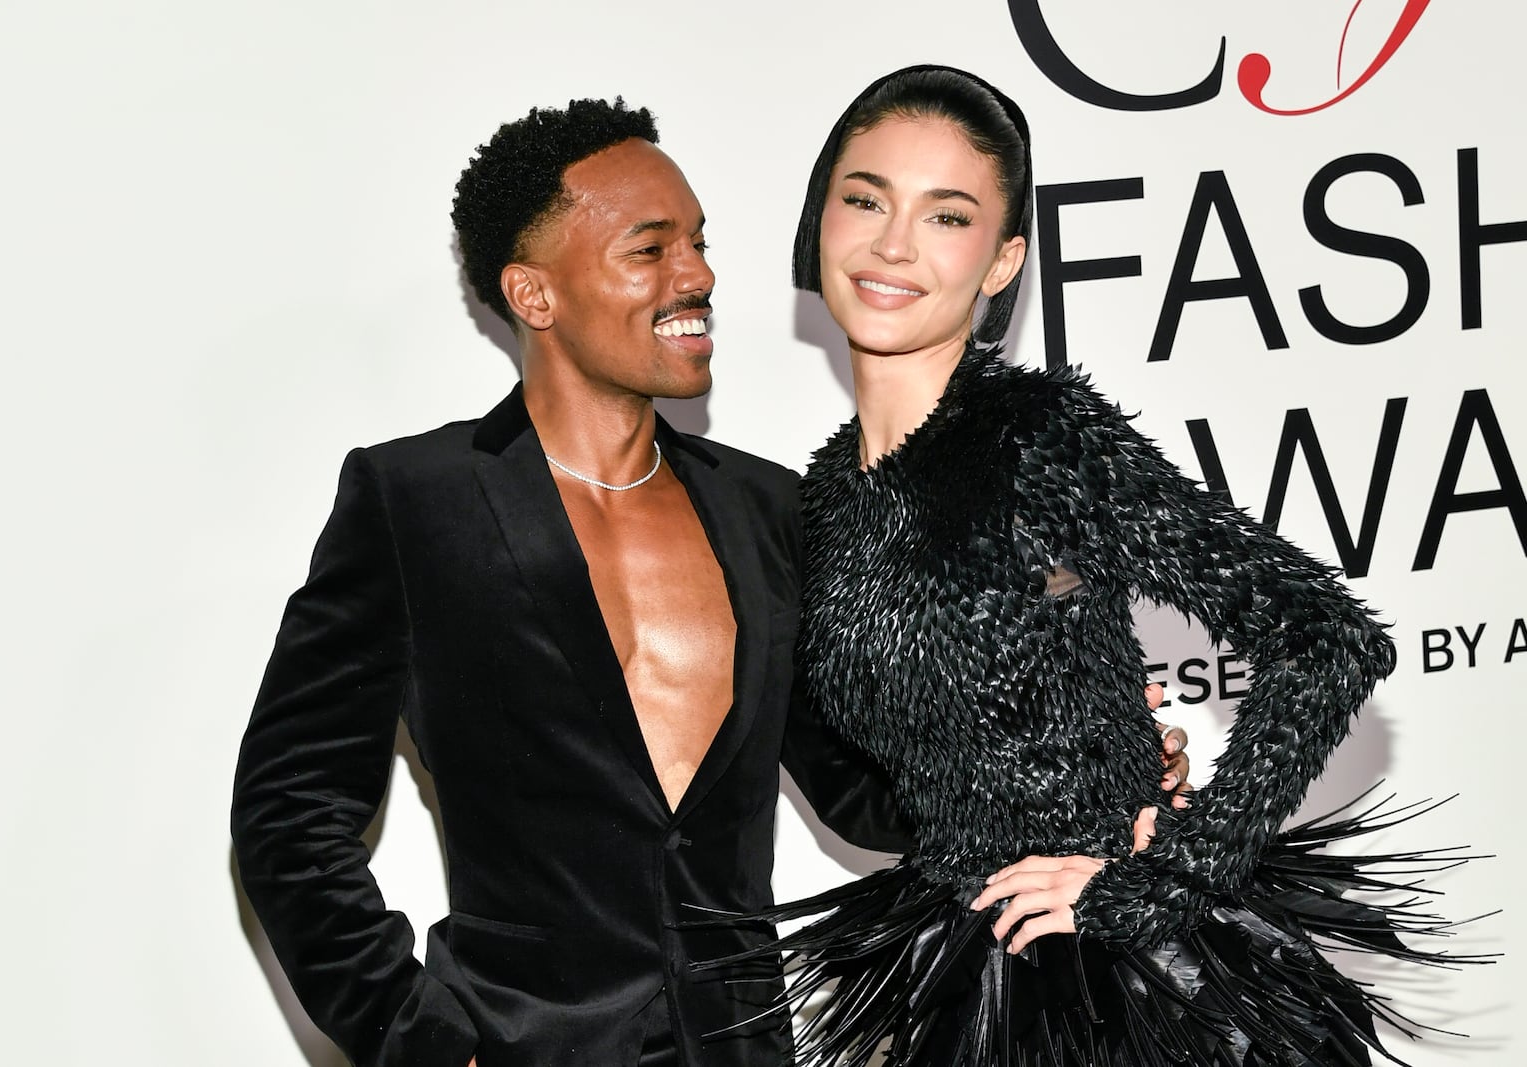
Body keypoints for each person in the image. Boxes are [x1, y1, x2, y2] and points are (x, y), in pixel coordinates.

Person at [229, 97, 1191, 1067]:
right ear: (535, 294)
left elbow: (862, 786)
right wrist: (422, 1041)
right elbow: (287, 814)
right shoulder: (415, 502)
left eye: (697, 242)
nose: (698, 275)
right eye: (649, 251)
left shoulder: (770, 509)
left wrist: (1075, 771)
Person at [702, 65, 1472, 1066]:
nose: (892, 243)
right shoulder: (823, 498)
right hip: (964, 972)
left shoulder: (1038, 439)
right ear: (818, 222)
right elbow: (901, 774)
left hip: (1125, 982)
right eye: (864, 199)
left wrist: (1171, 875)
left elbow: (1327, 637)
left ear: (999, 260)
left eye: (946, 216)